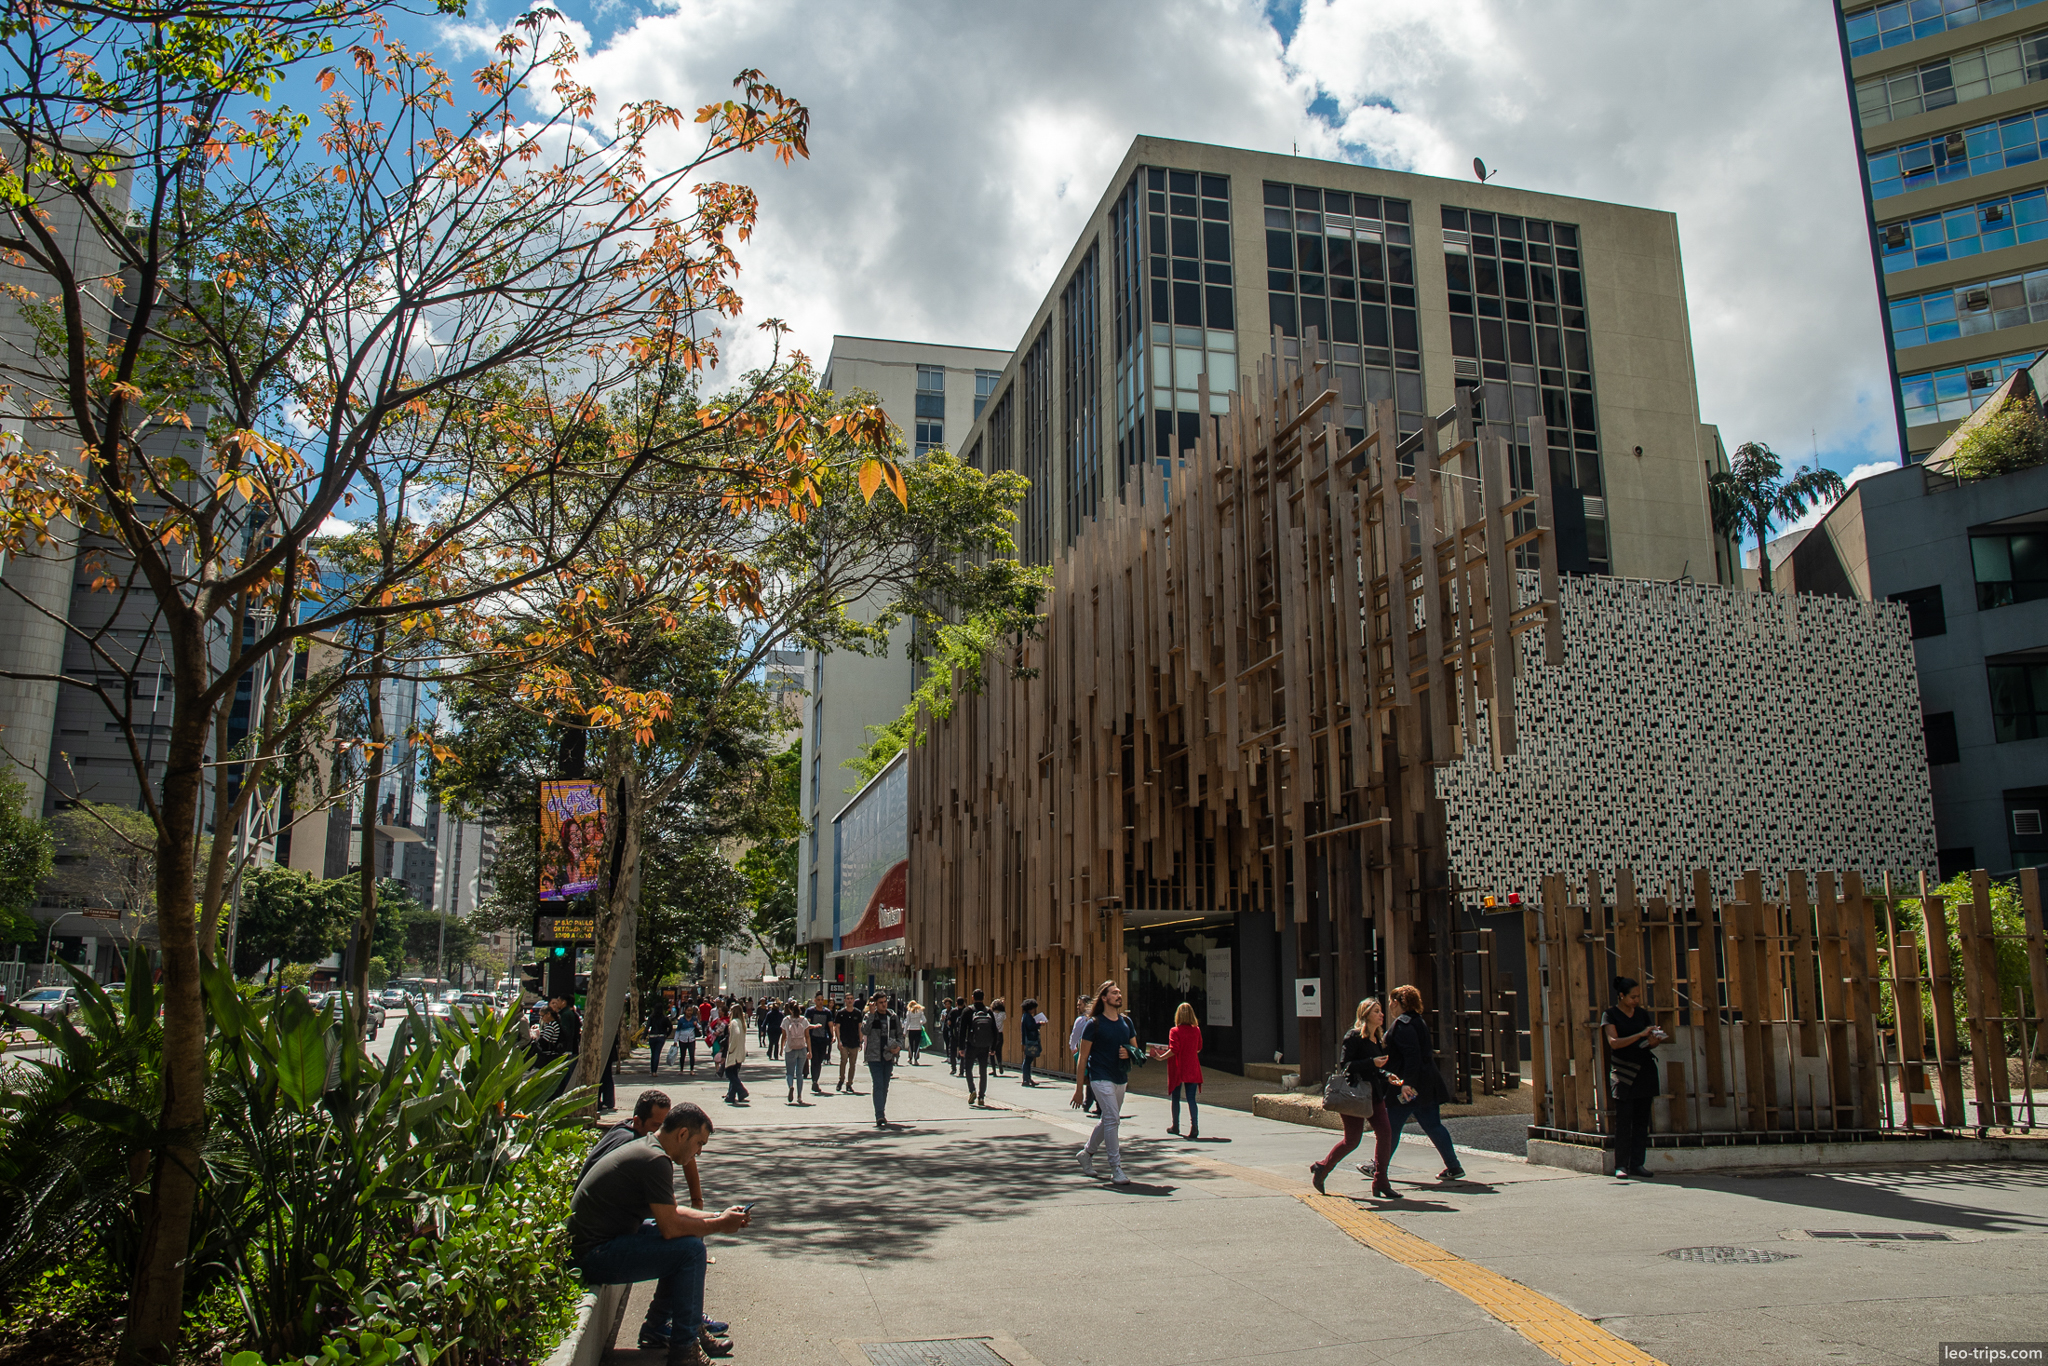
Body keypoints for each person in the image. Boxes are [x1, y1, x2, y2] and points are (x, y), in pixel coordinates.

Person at [569, 1103, 749, 1364]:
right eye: (700, 1144)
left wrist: (718, 1216)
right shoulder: (655, 1160)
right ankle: (684, 1350)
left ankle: (659, 1328)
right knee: (690, 1250)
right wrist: (720, 1224)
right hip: (594, 1254)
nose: (698, 1152)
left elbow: (672, 1212)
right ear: (683, 1134)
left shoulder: (651, 1149)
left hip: (603, 1243)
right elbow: (671, 1226)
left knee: (687, 1241)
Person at [1310, 998, 1408, 1199]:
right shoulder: (1353, 1036)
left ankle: (1381, 1181)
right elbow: (1346, 1065)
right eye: (1376, 1011)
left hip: (1374, 1095)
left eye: (1381, 1011)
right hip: (1354, 1095)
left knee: (1386, 1134)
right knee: (1352, 1140)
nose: (1382, 1015)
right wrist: (1372, 1063)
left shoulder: (1377, 1039)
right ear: (1365, 1016)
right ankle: (1323, 1167)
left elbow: (1376, 1069)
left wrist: (1387, 1075)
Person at [1382, 984, 1466, 1182]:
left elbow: (1412, 1057)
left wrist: (1405, 1084)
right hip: (1426, 1085)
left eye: (1390, 1002)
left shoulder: (1402, 1026)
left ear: (1396, 1002)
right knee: (1433, 1125)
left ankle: (1379, 1167)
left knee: (1391, 1126)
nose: (1389, 1006)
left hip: (1407, 1087)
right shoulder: (1418, 1021)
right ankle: (1453, 1166)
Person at [1071, 980, 1145, 1184]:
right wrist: (1079, 1090)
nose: (1119, 995)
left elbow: (1136, 1050)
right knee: (1113, 1119)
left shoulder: (1126, 1022)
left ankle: (1086, 1154)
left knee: (1108, 1120)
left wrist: (1128, 1053)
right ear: (1104, 998)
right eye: (1114, 993)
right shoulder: (1093, 1024)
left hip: (1120, 1078)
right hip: (1100, 1077)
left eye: (1119, 992)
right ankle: (1116, 1168)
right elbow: (1083, 1058)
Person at [1604, 975, 1666, 1179]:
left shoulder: (1641, 1014)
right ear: (1621, 996)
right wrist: (1639, 1035)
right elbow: (1613, 1042)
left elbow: (1650, 1042)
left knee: (1642, 1121)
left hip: (1644, 1069)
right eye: (1632, 997)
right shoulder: (1610, 1015)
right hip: (1623, 1071)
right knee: (1624, 1120)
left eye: (1638, 997)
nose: (1636, 1000)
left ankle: (1638, 1163)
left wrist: (1653, 1038)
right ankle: (1621, 1165)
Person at [582, 1090, 671, 1181]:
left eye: (665, 1127)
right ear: (637, 1122)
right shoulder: (632, 1146)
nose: (662, 1132)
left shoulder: (624, 1126)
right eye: (656, 1126)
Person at [860, 993, 906, 1127]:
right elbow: (865, 1030)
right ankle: (879, 1114)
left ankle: (881, 1111)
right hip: (874, 1056)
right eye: (880, 1002)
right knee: (878, 1084)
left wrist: (898, 1047)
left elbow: (900, 1035)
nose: (883, 1004)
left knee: (885, 1086)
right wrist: (872, 1014)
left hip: (888, 1056)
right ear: (874, 1004)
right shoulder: (869, 1016)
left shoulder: (892, 1017)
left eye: (885, 1002)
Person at [1166, 1001, 1203, 1139]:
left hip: (1179, 1067)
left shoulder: (1174, 1031)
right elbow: (1199, 1048)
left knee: (1176, 1097)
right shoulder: (1196, 1030)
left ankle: (1175, 1125)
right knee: (1191, 1098)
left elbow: (1173, 1050)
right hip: (1193, 1067)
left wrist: (1160, 1057)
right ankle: (1195, 1126)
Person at [959, 989, 999, 1107]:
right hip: (985, 1046)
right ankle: (981, 1097)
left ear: (972, 998)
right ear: (984, 997)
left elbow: (962, 1030)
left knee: (968, 1069)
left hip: (971, 1045)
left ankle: (972, 1090)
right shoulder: (988, 1011)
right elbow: (994, 1030)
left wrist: (961, 1047)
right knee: (983, 1071)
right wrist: (993, 1047)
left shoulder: (968, 1011)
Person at [1069, 995, 1098, 1115]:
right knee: (1090, 1077)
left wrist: (1073, 1048)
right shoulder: (1095, 1019)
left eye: (1079, 1004)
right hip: (1092, 1052)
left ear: (1087, 1004)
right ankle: (1089, 1101)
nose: (1077, 1007)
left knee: (1089, 1076)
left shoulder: (1082, 1020)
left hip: (1083, 1052)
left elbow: (1074, 1036)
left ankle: (1088, 1102)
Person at [780, 999, 811, 1105]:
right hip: (802, 1048)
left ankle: (791, 1086)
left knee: (789, 1073)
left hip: (790, 1048)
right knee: (799, 1074)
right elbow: (807, 1036)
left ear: (789, 1010)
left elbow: (784, 1036)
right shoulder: (804, 1020)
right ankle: (799, 1096)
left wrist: (781, 1048)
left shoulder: (786, 1020)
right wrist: (809, 1051)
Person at [834, 995, 864, 1094]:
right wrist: (839, 1041)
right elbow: (837, 1027)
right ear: (845, 1000)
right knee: (843, 1061)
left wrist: (860, 1041)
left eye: (851, 999)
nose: (850, 1000)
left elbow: (860, 1027)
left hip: (854, 1042)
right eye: (848, 999)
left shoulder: (858, 1013)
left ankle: (849, 1083)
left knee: (853, 1064)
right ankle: (841, 1079)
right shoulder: (841, 1013)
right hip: (844, 1042)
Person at [804, 993, 833, 1096]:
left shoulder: (827, 1012)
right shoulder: (810, 1011)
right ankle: (814, 1081)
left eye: (822, 1000)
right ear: (815, 1000)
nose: (820, 1002)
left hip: (823, 1040)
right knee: (814, 1059)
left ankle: (816, 1079)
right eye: (819, 1000)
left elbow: (830, 1026)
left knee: (820, 1060)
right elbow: (806, 1025)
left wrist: (832, 1036)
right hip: (813, 1039)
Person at [720, 1009, 749, 1105]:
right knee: (734, 1073)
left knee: (729, 1073)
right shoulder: (742, 1022)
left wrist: (731, 1047)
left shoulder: (734, 1022)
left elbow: (736, 1034)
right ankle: (731, 1096)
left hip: (734, 1051)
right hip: (740, 1051)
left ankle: (742, 1090)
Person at [1018, 998, 1045, 1087]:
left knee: (1028, 1060)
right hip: (1030, 1040)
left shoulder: (1025, 1016)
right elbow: (1031, 1026)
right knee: (1028, 1060)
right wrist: (1039, 1024)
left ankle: (1028, 1078)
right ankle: (1026, 1079)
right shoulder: (1028, 1017)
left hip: (1028, 1040)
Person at [645, 996, 673, 1076]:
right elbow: (670, 1027)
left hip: (652, 1036)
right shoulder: (664, 1018)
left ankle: (652, 1070)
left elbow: (647, 1027)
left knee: (653, 1054)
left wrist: (644, 1036)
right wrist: (666, 1035)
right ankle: (655, 1071)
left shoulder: (651, 1017)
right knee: (657, 1053)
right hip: (661, 1036)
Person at [904, 999, 927, 1065]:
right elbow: (924, 1020)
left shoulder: (909, 1012)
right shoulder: (920, 1011)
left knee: (911, 1044)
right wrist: (920, 1023)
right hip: (918, 1029)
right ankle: (916, 1059)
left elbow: (907, 1022)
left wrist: (904, 1032)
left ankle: (910, 1058)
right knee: (917, 1045)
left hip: (911, 1029)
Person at [990, 997, 1009, 1076]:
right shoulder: (1002, 1014)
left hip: (992, 1034)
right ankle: (1000, 1064)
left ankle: (994, 1070)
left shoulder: (991, 1014)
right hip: (1000, 1033)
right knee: (999, 1051)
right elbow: (1004, 1018)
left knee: (991, 1051)